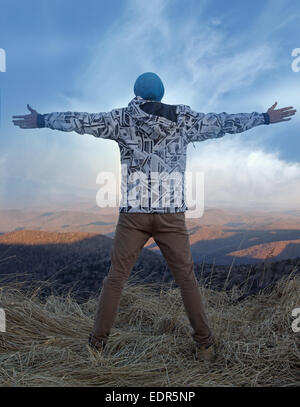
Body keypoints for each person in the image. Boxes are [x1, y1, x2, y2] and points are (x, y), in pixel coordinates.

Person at [12, 72, 296, 361]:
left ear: (136, 93)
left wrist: (43, 120)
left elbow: (81, 121)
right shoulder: (184, 119)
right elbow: (222, 123)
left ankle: (96, 345)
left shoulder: (122, 119)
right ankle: (205, 346)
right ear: (162, 94)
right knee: (186, 279)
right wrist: (263, 117)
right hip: (171, 214)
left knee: (115, 279)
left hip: (134, 214)